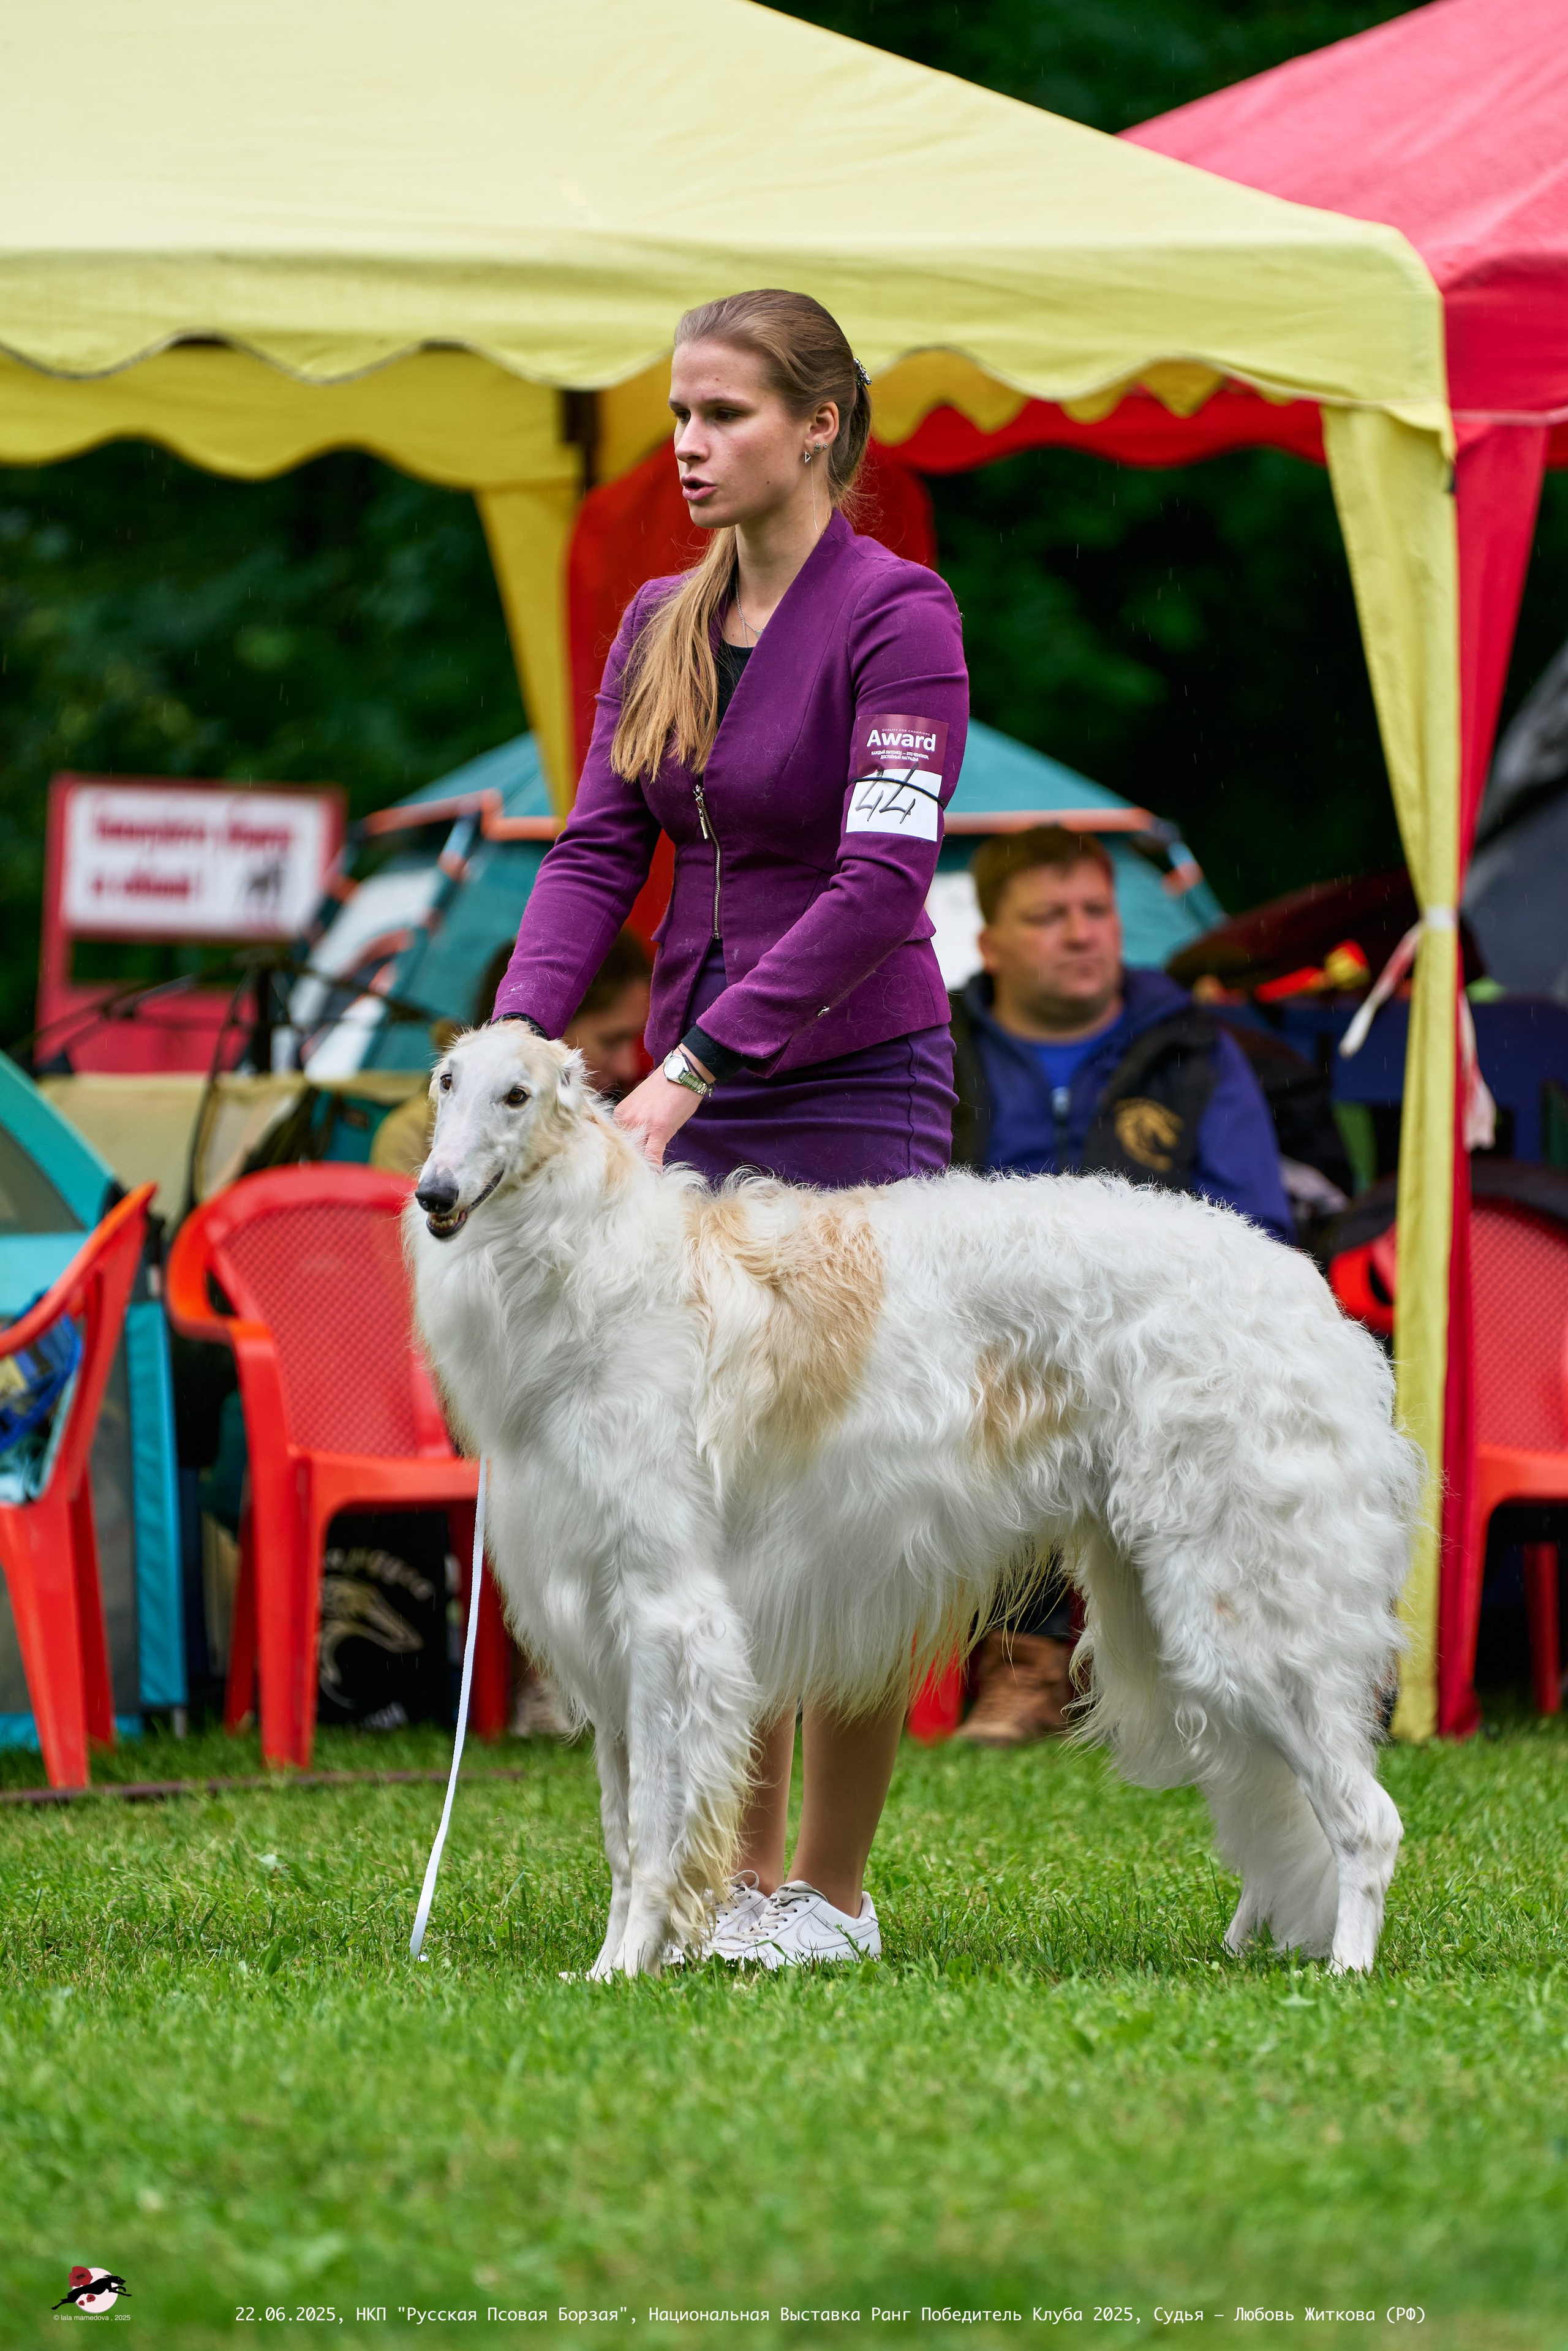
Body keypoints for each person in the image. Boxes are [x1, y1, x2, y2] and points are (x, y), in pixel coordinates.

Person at [491, 286, 968, 1966]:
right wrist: (521, 1031)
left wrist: (692, 1056)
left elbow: (881, 880)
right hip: (686, 1087)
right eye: (679, 416)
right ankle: (726, 1873)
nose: (690, 446)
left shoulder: (899, 617)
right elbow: (596, 846)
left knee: (849, 1487)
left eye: (727, 414)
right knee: (710, 1481)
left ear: (819, 425)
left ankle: (829, 1891)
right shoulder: (655, 620)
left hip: (854, 1074)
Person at [949, 823, 1292, 1746]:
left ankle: (1233, 1659)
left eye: (1096, 911)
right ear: (988, 945)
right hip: (987, 1344)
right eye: (1048, 916)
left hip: (1165, 1336)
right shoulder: (935, 1050)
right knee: (993, 1388)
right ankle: (1021, 1662)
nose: (1081, 932)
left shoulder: (1192, 1051)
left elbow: (1259, 1226)